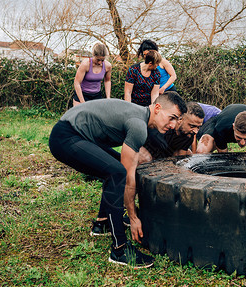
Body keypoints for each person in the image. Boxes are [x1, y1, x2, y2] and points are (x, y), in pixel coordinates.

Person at [48, 93, 187, 268]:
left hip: (78, 135)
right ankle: (119, 250)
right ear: (158, 109)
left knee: (113, 169)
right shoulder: (138, 125)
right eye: (172, 118)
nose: (173, 125)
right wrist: (133, 216)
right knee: (117, 173)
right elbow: (127, 177)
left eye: (177, 120)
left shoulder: (141, 118)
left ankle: (102, 224)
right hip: (66, 137)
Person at [139, 101, 204, 164]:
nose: (196, 131)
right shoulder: (164, 125)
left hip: (165, 155)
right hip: (144, 147)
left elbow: (179, 159)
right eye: (192, 126)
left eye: (198, 127)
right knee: (146, 158)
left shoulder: (189, 135)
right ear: (180, 119)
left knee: (188, 155)